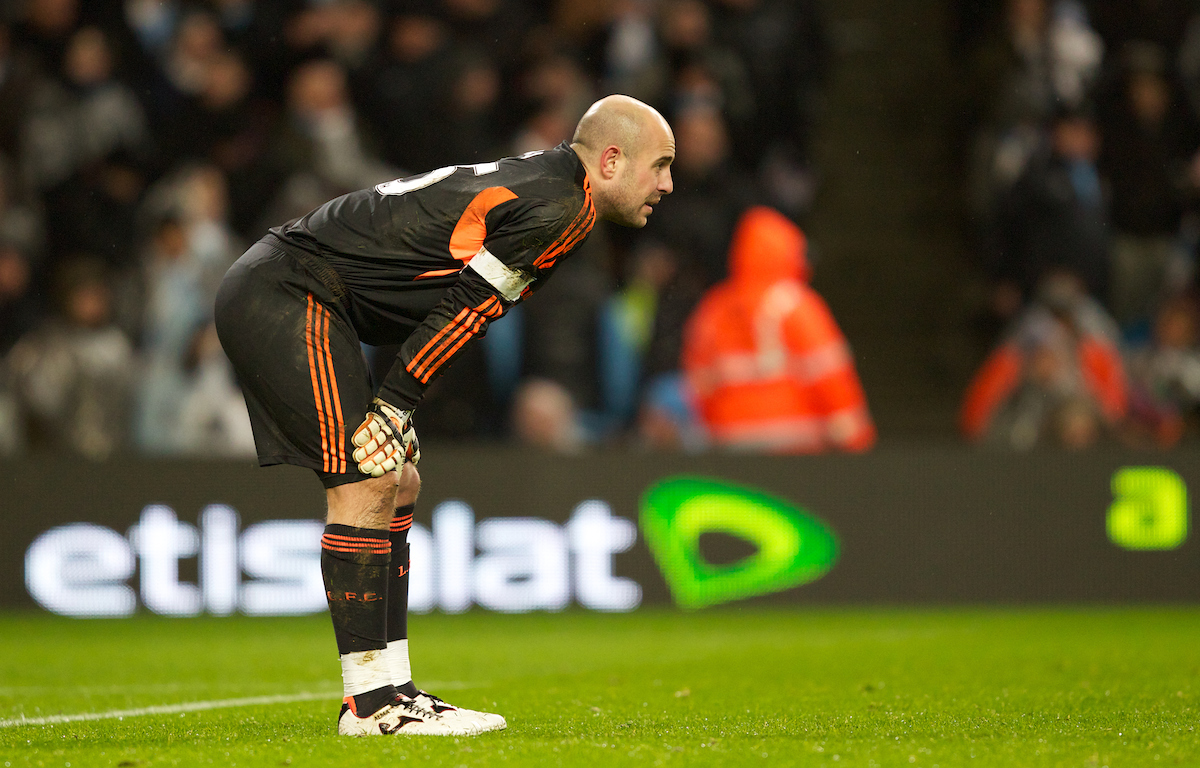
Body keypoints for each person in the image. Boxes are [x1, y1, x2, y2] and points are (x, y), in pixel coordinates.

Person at [214, 94, 675, 736]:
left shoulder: (550, 184)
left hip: (317, 296)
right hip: (289, 290)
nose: (667, 184)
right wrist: (395, 400)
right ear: (613, 160)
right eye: (659, 165)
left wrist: (396, 404)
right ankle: (370, 706)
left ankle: (394, 689)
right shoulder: (565, 207)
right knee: (366, 479)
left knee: (398, 480)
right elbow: (467, 308)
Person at [681, 206, 875, 453]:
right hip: (797, 451)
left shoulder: (715, 308)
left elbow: (698, 387)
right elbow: (831, 376)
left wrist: (720, 428)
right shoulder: (796, 305)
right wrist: (857, 439)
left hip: (732, 449)